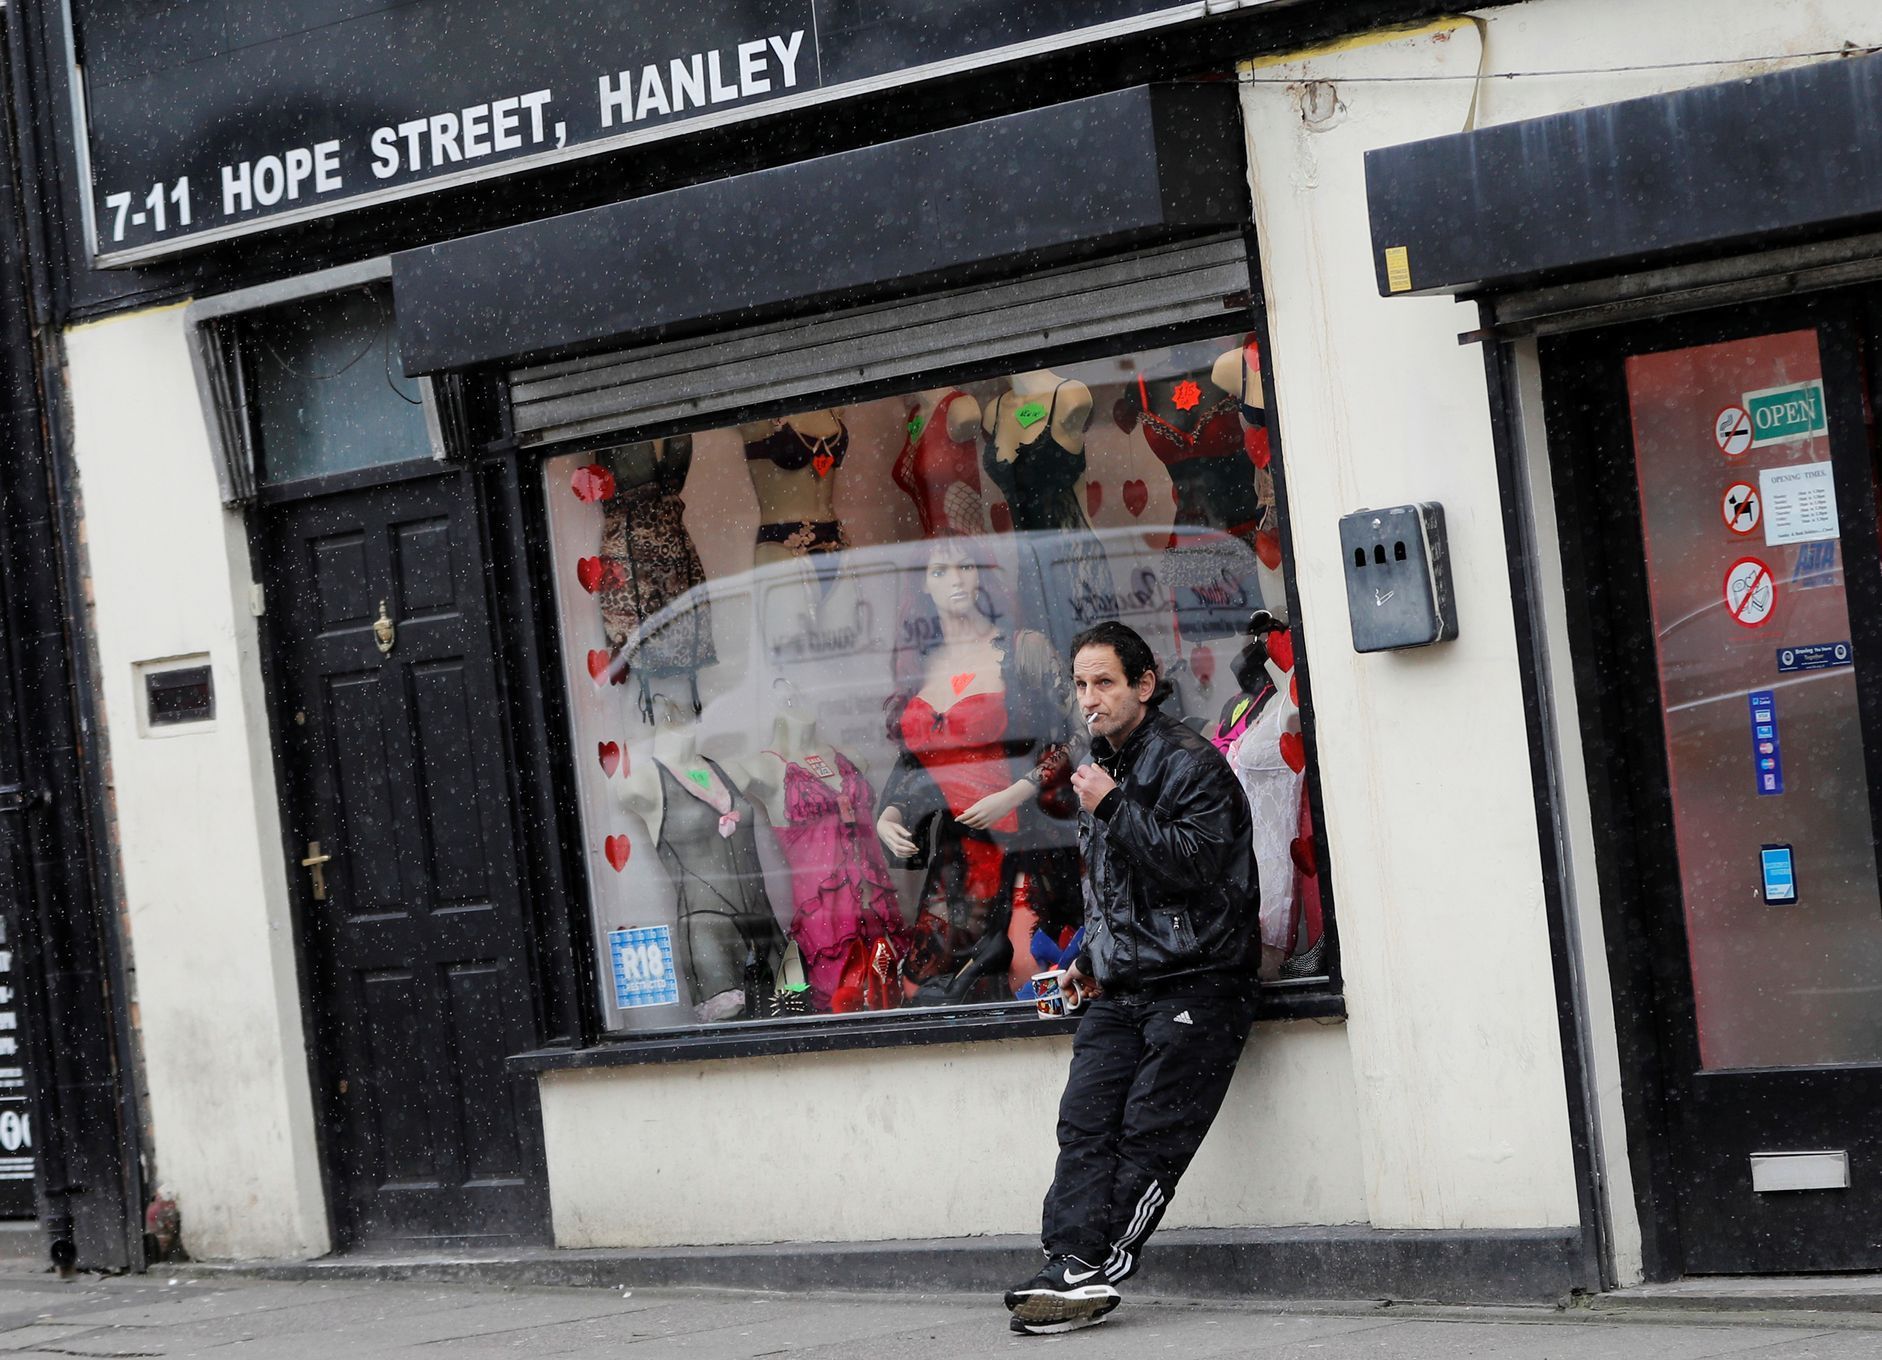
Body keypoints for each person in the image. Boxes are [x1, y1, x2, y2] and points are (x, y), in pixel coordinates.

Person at [1004, 620, 1260, 1335]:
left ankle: (1095, 1271)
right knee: (1083, 1121)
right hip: (1123, 986)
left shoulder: (1190, 763)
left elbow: (1197, 866)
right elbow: (1116, 890)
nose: (1091, 697)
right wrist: (1090, 960)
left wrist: (1114, 805)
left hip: (1199, 983)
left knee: (1150, 1134)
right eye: (1081, 684)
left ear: (1144, 686)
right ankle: (1068, 1265)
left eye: (1106, 682)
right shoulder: (1097, 767)